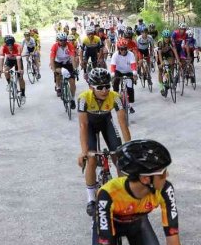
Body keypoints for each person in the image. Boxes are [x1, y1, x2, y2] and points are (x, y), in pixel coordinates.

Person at [78, 68, 131, 216]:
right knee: (92, 159)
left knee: (119, 157)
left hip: (106, 122)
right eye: (100, 87)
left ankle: (124, 194)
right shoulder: (83, 98)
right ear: (91, 87)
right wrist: (84, 151)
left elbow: (122, 123)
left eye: (107, 86)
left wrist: (129, 147)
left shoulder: (115, 97)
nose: (105, 90)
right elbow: (83, 126)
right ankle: (91, 199)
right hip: (90, 125)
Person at [109, 38, 138, 114]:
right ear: (118, 49)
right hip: (118, 71)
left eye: (125, 49)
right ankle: (116, 100)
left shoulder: (130, 54)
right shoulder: (115, 55)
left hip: (128, 72)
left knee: (130, 87)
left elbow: (133, 65)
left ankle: (130, 105)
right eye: (121, 49)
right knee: (115, 83)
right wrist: (113, 75)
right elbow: (112, 66)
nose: (123, 51)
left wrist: (134, 74)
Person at [50, 32, 77, 106]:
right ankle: (58, 87)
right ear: (57, 40)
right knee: (58, 74)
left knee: (72, 81)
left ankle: (72, 98)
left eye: (64, 40)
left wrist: (75, 69)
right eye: (61, 40)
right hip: (58, 62)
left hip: (67, 63)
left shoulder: (70, 45)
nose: (63, 42)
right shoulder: (55, 46)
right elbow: (52, 59)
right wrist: (53, 70)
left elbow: (72, 57)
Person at [0, 35, 25, 99]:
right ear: (5, 44)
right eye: (8, 45)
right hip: (9, 60)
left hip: (17, 60)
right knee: (5, 71)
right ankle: (9, 84)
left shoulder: (18, 47)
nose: (10, 46)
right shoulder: (3, 48)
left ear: (13, 43)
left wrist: (19, 70)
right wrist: (0, 70)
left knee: (20, 77)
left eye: (11, 45)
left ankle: (23, 94)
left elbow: (18, 59)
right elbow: (2, 59)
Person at [156, 30, 178, 95]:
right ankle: (161, 87)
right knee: (160, 70)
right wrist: (162, 63)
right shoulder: (160, 42)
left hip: (168, 53)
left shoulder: (171, 41)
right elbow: (159, 53)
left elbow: (174, 51)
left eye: (168, 37)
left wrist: (178, 60)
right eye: (165, 37)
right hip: (161, 54)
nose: (167, 39)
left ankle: (171, 77)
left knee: (172, 63)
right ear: (163, 37)